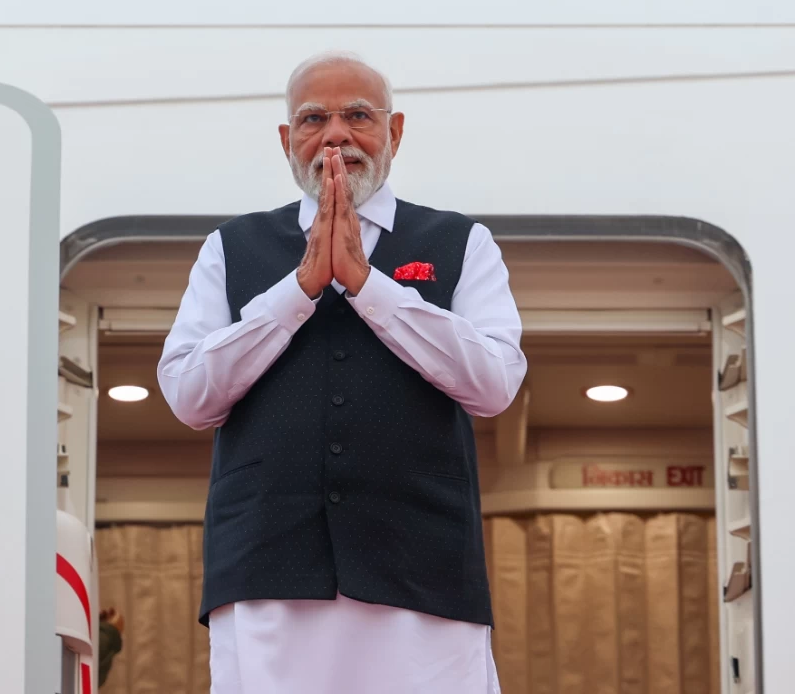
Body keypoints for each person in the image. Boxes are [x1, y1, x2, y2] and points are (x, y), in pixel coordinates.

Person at [157, 51, 527, 694]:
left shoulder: (463, 242)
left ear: (395, 131)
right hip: (268, 575)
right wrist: (297, 291)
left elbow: (494, 384)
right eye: (313, 119)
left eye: (358, 115)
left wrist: (367, 285)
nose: (335, 135)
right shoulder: (231, 246)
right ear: (286, 139)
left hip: (423, 577)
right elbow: (189, 394)